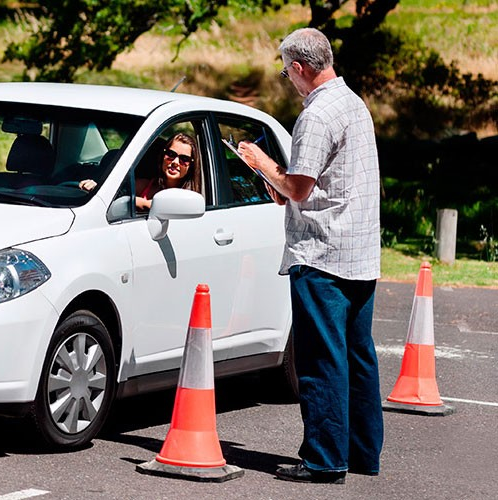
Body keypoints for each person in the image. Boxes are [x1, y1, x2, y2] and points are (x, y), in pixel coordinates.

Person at [237, 28, 382, 484]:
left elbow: (298, 186)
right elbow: (323, 182)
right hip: (359, 249)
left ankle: (324, 458)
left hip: (322, 251)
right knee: (358, 355)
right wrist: (282, 185)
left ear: (300, 68)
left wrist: (262, 163)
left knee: (321, 360)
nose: (287, 78)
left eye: (286, 70)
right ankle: (362, 452)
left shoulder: (316, 116)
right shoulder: (353, 103)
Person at [78, 132, 201, 211]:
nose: (175, 162)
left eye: (184, 159)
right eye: (171, 154)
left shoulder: (187, 196)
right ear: (162, 156)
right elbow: (115, 190)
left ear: (191, 165)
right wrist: (98, 187)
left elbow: (149, 205)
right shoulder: (146, 184)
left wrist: (120, 197)